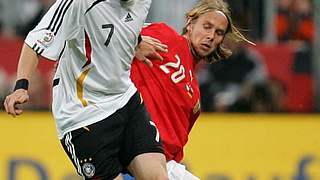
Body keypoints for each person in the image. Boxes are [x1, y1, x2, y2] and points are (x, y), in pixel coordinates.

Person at [4, 0, 169, 179]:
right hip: (82, 113)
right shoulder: (79, 2)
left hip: (124, 98)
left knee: (158, 176)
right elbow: (35, 41)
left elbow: (122, 23)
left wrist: (135, 42)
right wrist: (21, 86)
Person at [130, 0, 253, 179]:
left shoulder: (194, 96)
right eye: (207, 26)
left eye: (218, 33)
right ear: (190, 23)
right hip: (129, 150)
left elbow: (174, 150)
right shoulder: (163, 34)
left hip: (160, 165)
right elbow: (115, 35)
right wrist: (134, 42)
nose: (211, 36)